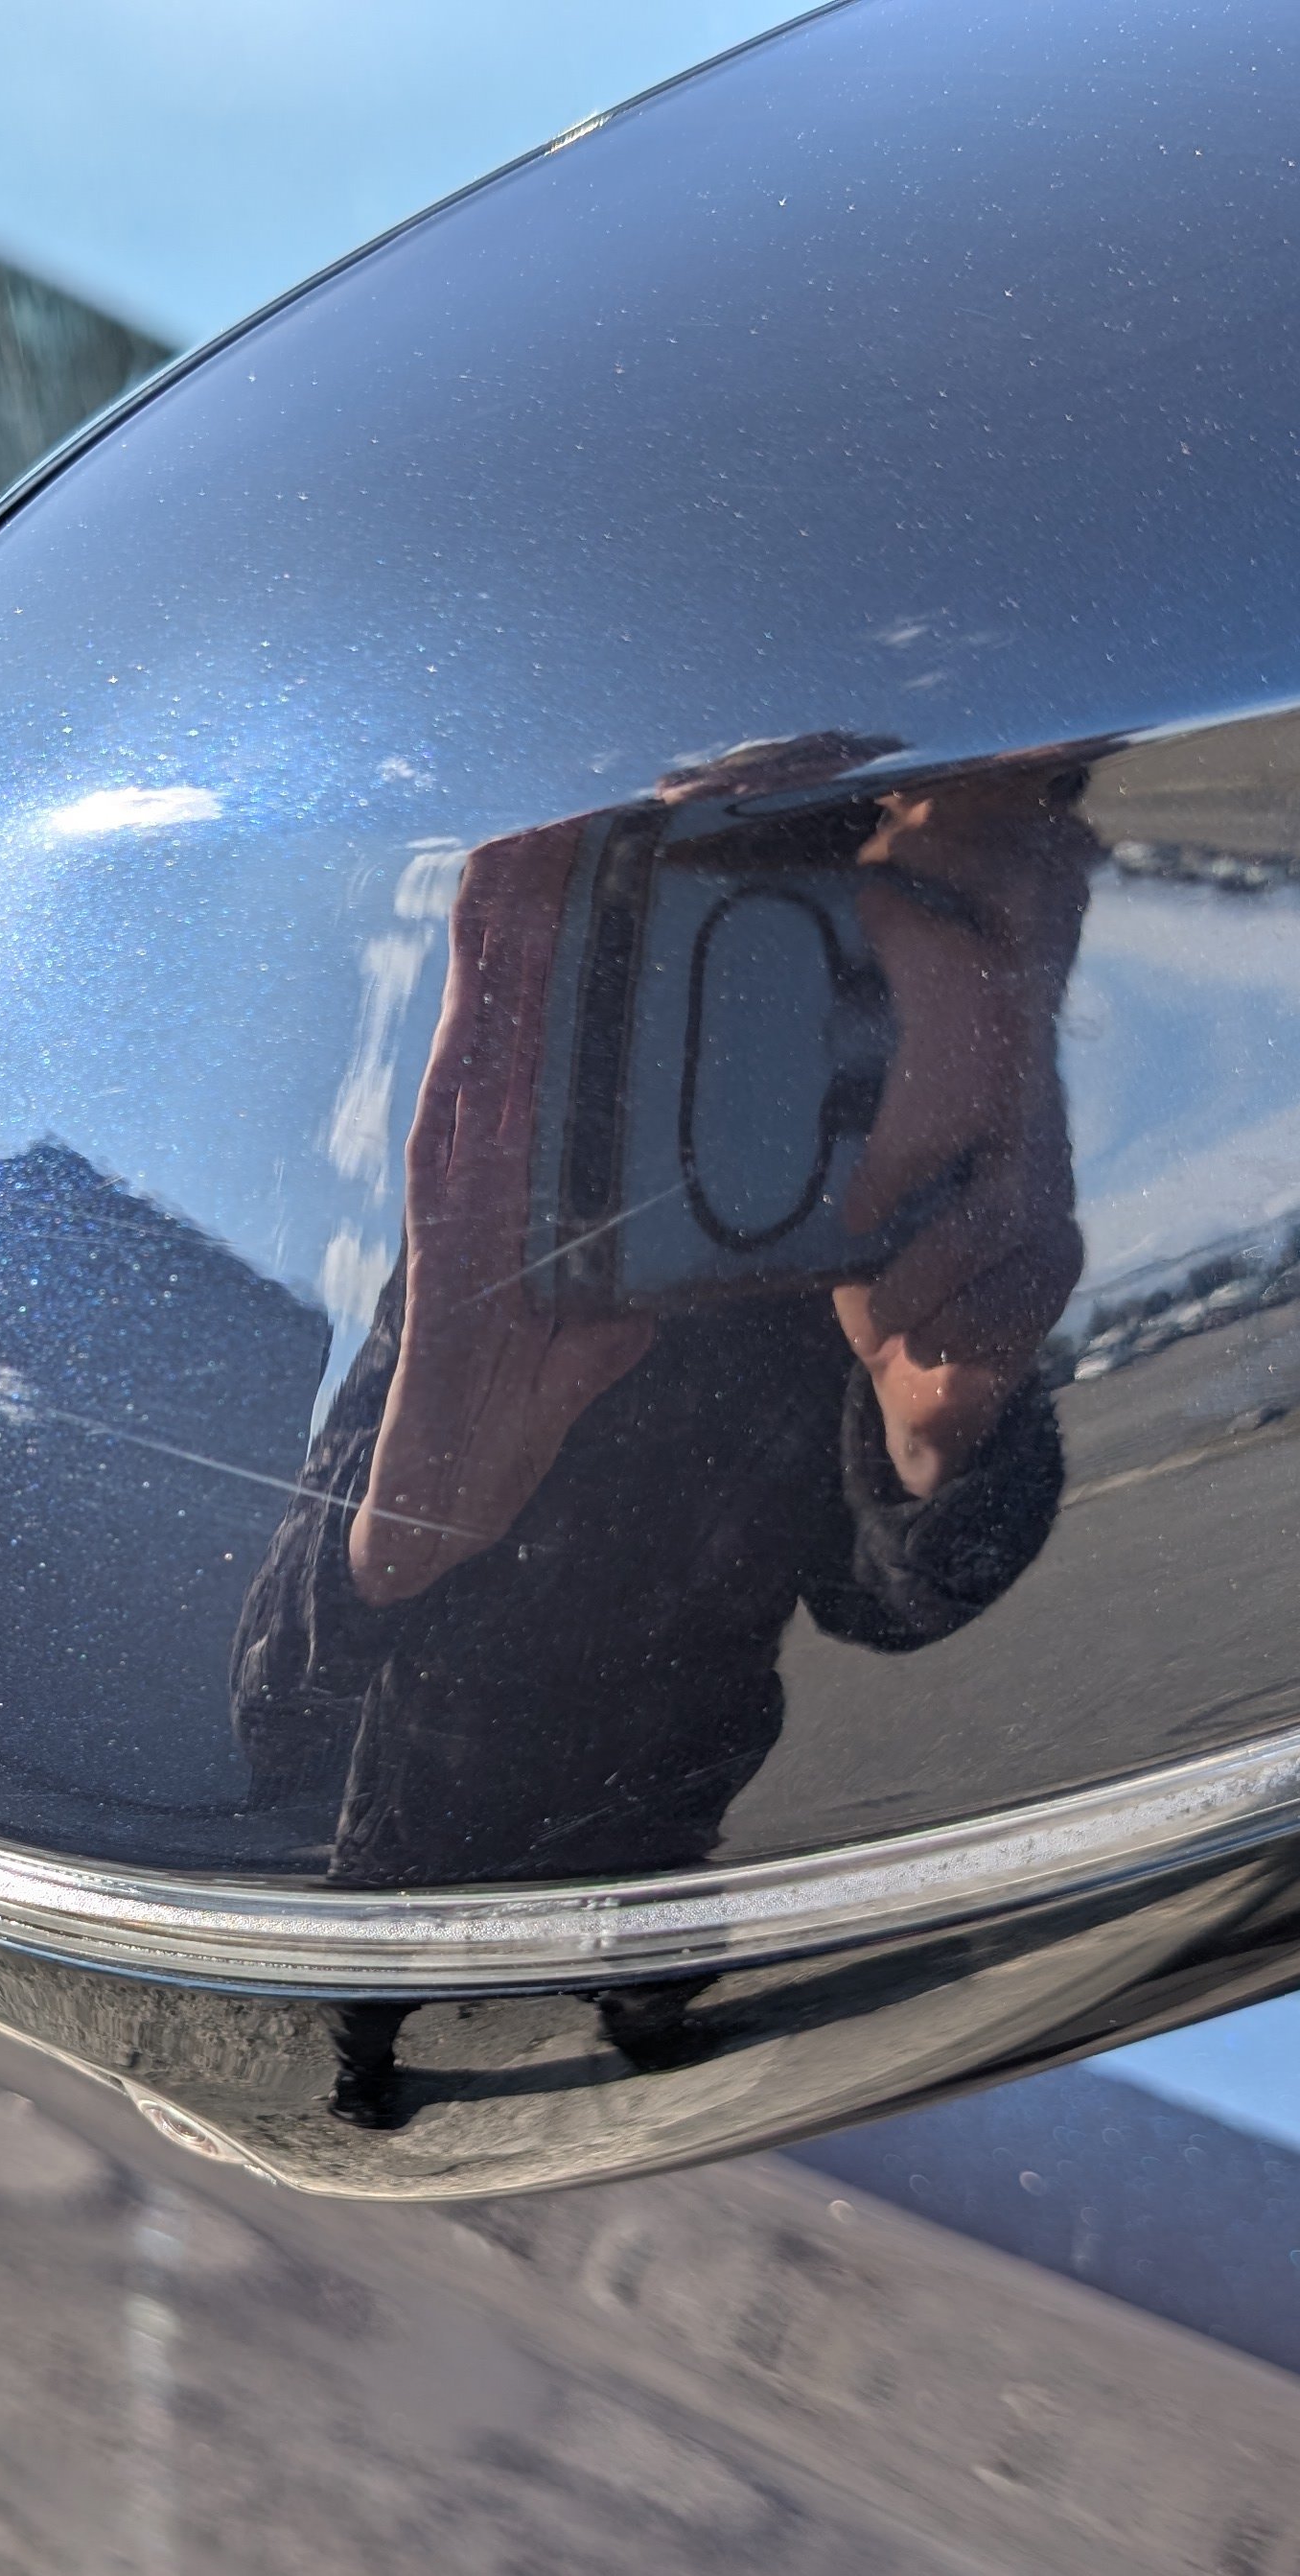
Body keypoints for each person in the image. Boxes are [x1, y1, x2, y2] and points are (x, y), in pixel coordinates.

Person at [228, 745, 1094, 2117]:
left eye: (838, 974)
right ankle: (368, 2054)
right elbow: (279, 1709)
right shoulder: (512, 1265)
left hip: (668, 1795)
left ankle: (625, 2018)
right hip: (445, 1796)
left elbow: (881, 1598)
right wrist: (398, 1536)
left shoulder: (855, 1275)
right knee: (376, 1987)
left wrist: (947, 1426)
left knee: (646, 1968)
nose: (767, 1038)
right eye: (699, 947)